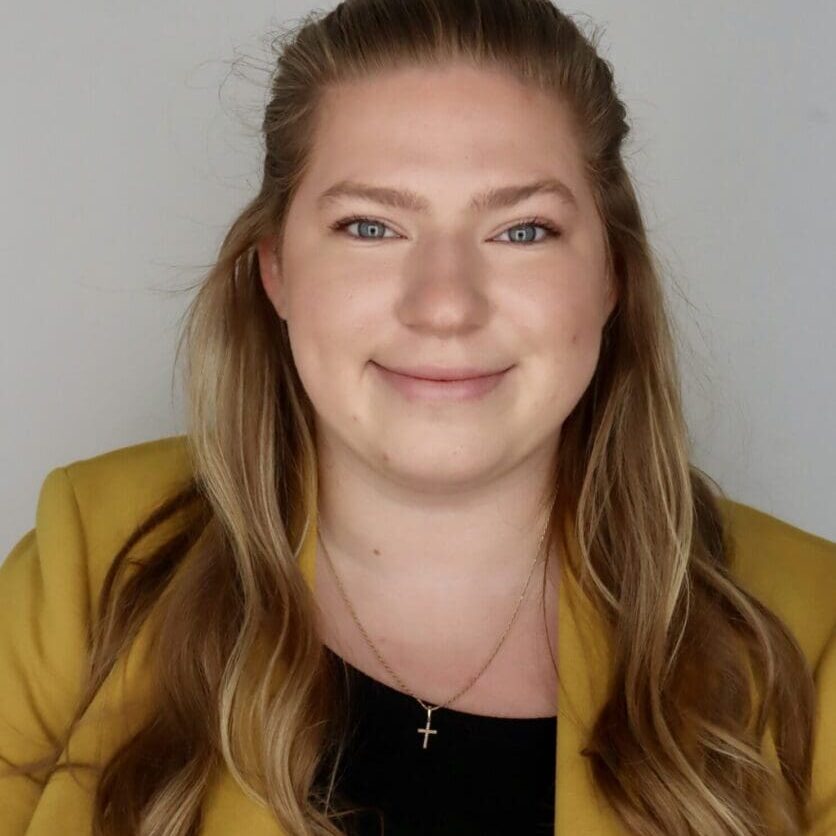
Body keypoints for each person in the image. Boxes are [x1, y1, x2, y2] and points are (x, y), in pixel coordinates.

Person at [1, 1, 834, 834]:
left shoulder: (811, 631)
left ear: (611, 276)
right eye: (371, 225)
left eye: (522, 230)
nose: (445, 306)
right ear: (278, 269)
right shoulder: (91, 562)